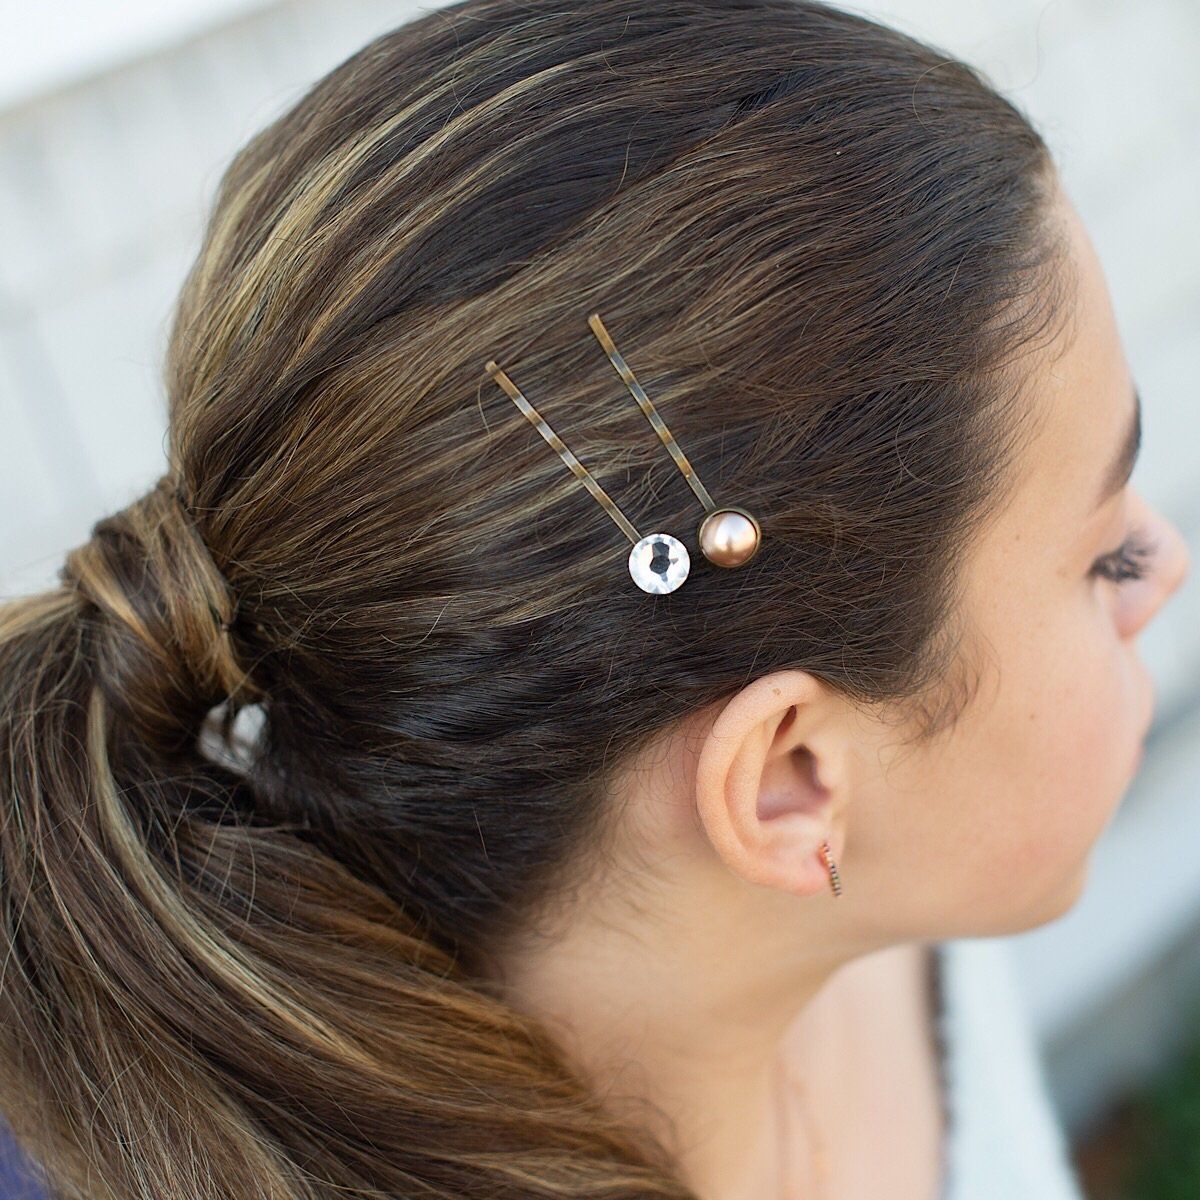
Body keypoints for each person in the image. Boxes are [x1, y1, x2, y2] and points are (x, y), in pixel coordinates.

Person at [0, 0, 1190, 1197]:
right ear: (790, 780)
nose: (1166, 560)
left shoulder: (884, 900)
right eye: (1101, 558)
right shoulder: (885, 856)